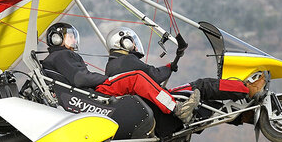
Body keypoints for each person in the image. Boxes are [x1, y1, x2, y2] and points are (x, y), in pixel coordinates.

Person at [41, 22, 200, 124]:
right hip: (90, 93)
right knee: (137, 78)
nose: (74, 41)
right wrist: (106, 79)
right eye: (70, 37)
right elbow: (80, 78)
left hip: (81, 95)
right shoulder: (62, 55)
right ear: (56, 38)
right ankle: (177, 109)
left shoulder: (54, 59)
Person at [105, 27, 266, 103]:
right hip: (162, 101)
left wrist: (169, 66)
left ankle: (243, 116)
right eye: (131, 42)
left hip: (150, 102)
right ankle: (247, 89)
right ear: (124, 42)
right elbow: (154, 75)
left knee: (204, 102)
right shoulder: (127, 61)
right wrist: (169, 67)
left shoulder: (111, 65)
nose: (134, 46)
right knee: (202, 85)